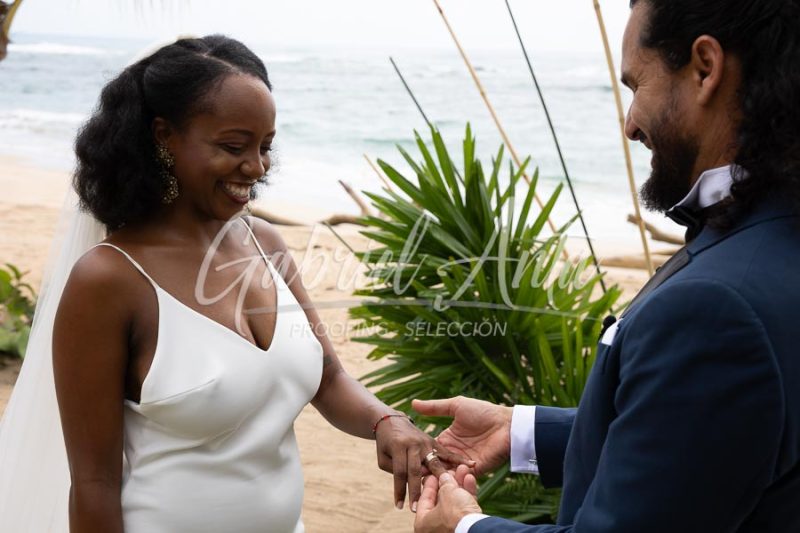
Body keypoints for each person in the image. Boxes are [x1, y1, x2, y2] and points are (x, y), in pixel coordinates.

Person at [0, 35, 469, 532]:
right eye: (233, 146)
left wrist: (386, 422)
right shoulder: (109, 280)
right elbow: (94, 484)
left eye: (265, 146)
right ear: (164, 137)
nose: (257, 166)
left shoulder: (265, 243)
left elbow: (329, 379)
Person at [412, 0, 800, 531]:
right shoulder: (775, 234)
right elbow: (708, 439)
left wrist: (462, 527)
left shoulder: (716, 307)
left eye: (637, 85)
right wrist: (521, 432)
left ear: (705, 68)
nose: (631, 124)